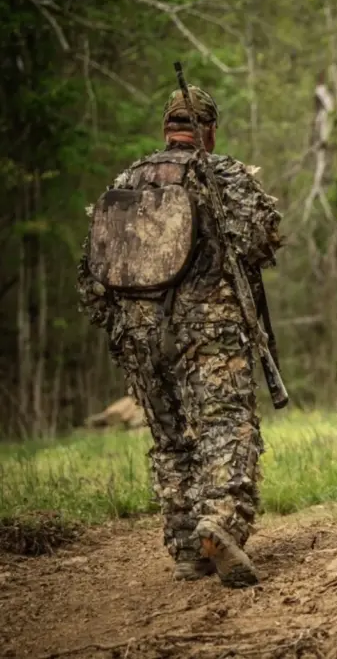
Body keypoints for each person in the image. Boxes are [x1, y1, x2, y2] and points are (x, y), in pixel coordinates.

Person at [76, 85, 283, 588]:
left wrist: (127, 330)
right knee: (227, 427)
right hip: (209, 331)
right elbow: (261, 240)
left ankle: (188, 552)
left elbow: (91, 276)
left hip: (137, 336)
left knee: (170, 442)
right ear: (208, 131)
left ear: (166, 129)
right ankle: (219, 526)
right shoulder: (224, 174)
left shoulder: (126, 182)